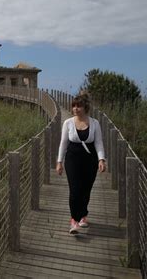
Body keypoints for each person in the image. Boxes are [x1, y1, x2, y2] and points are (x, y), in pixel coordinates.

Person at [56, 93, 107, 235]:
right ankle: (74, 220)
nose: (75, 109)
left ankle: (83, 215)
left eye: (79, 106)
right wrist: (59, 162)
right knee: (75, 190)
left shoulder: (95, 123)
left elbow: (99, 143)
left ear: (85, 107)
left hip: (89, 161)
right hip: (72, 160)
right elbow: (63, 144)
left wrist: (101, 160)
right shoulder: (68, 123)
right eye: (74, 106)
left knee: (86, 190)